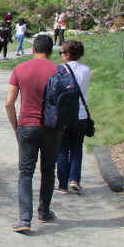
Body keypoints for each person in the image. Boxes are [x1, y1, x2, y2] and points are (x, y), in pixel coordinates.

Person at [4, 35, 63, 232]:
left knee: (25, 173)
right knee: (48, 171)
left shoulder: (20, 69)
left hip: (27, 126)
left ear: (33, 49)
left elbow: (9, 103)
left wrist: (15, 126)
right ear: (51, 51)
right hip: (51, 127)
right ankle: (44, 212)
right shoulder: (59, 70)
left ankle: (24, 219)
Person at [55, 40, 91, 194]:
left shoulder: (60, 70)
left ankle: (62, 184)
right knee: (77, 147)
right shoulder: (86, 70)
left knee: (62, 150)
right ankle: (75, 179)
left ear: (68, 54)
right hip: (81, 114)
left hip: (64, 114)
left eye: (61, 52)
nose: (60, 55)